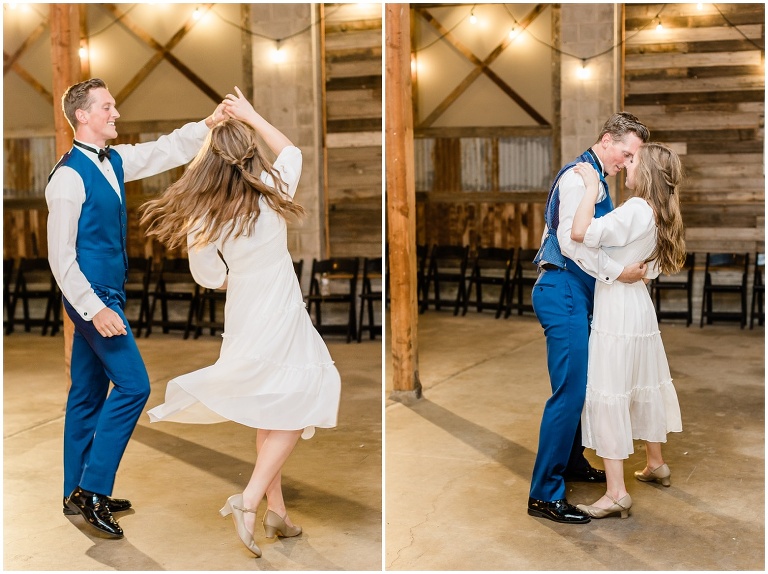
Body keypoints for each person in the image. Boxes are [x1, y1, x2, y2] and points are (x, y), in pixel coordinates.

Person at [141, 87, 341, 558]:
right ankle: (249, 500)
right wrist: (251, 115)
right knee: (302, 399)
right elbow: (291, 149)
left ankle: (279, 513)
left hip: (245, 314)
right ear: (249, 154)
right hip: (282, 312)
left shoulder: (204, 215)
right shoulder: (272, 191)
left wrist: (238, 276)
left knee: (270, 405)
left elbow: (208, 276)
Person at [46, 78, 225, 539]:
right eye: (107, 106)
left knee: (87, 392)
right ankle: (94, 490)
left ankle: (73, 490)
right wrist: (93, 309)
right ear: (83, 116)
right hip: (92, 297)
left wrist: (208, 124)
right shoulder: (67, 177)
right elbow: (60, 258)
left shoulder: (114, 161)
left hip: (109, 292)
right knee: (134, 386)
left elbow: (165, 150)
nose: (116, 113)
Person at [527, 112, 650, 524]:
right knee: (568, 391)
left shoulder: (598, 178)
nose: (627, 162)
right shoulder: (580, 177)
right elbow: (569, 241)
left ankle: (575, 462)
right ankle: (544, 494)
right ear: (606, 140)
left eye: (633, 157)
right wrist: (618, 272)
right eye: (626, 153)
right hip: (561, 288)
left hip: (581, 291)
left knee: (586, 384)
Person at [570, 142, 685, 518]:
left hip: (618, 309)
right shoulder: (662, 213)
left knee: (611, 391)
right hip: (639, 307)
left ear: (648, 171)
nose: (627, 163)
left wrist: (589, 189)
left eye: (633, 160)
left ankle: (616, 492)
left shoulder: (636, 208)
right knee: (643, 380)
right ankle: (655, 463)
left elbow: (580, 232)